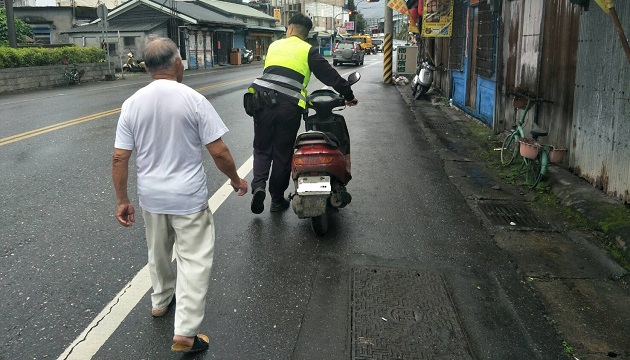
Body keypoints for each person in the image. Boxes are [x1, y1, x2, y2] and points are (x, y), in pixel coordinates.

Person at [112, 37, 248, 353]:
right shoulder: (193, 100)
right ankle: (186, 333)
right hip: (188, 198)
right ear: (177, 63)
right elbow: (220, 151)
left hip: (152, 198)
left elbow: (120, 157)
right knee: (194, 260)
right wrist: (235, 179)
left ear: (146, 68)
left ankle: (160, 302)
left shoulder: (132, 103)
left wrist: (122, 200)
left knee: (157, 251)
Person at [247, 13, 359, 214]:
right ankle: (277, 200)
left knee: (262, 149)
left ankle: (258, 187)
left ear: (289, 29)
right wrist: (348, 95)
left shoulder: (274, 46)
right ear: (306, 35)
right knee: (282, 154)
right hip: (288, 107)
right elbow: (330, 76)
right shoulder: (308, 50)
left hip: (261, 102)